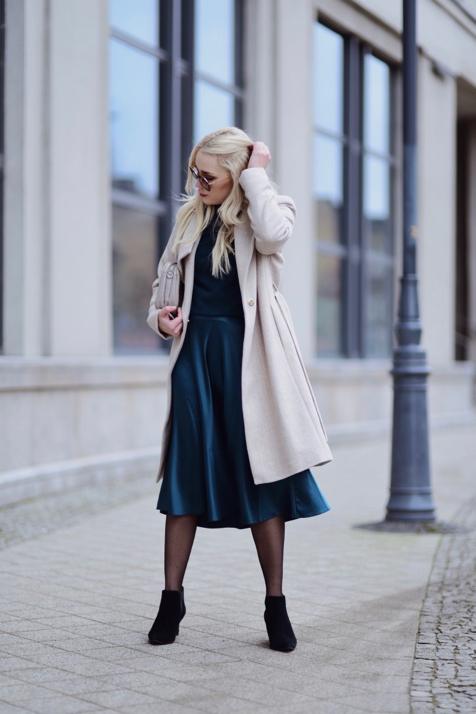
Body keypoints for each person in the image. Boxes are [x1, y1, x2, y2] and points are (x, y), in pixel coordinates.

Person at [146, 126, 332, 652]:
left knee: (261, 476)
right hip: (195, 359)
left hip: (251, 361)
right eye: (194, 173)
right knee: (184, 474)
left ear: (235, 175)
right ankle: (170, 599)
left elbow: (273, 236)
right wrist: (161, 320)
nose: (198, 183)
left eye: (208, 176)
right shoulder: (188, 220)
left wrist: (257, 174)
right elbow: (160, 291)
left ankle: (276, 605)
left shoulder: (268, 210)